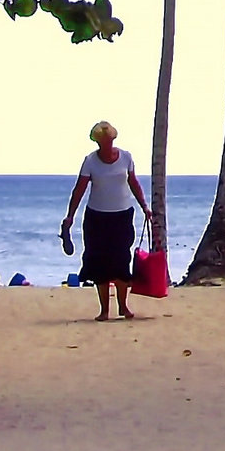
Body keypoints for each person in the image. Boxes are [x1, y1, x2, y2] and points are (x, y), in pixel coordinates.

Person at [62, 120, 152, 321]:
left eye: (109, 140)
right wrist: (70, 216)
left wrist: (144, 206)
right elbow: (79, 189)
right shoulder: (90, 161)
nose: (107, 144)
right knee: (99, 263)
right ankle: (104, 310)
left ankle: (123, 306)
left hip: (122, 216)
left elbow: (134, 183)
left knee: (121, 260)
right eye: (102, 141)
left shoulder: (126, 157)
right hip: (97, 217)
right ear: (97, 142)